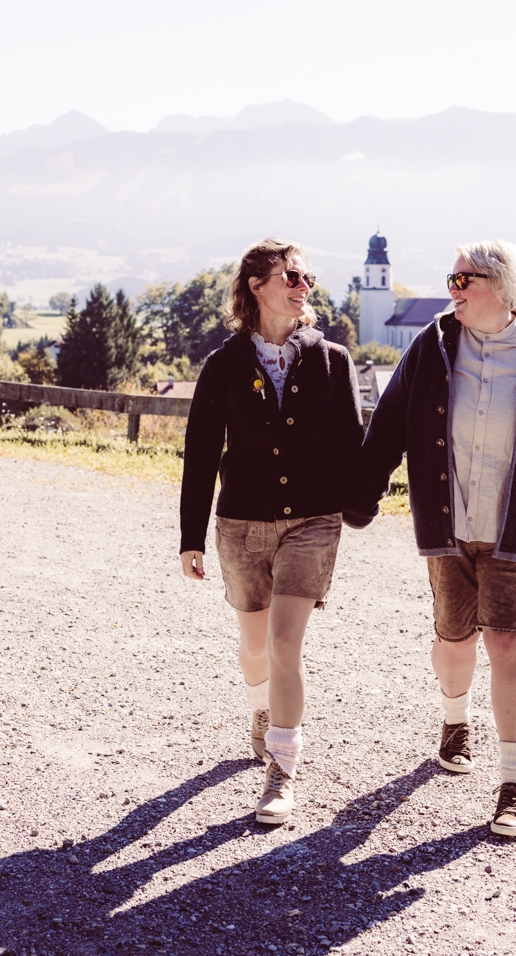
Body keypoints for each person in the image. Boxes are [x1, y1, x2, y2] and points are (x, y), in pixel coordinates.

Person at [345, 240, 516, 837]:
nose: (453, 289)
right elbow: (387, 427)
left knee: (509, 644)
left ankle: (514, 784)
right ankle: (454, 721)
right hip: (448, 523)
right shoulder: (431, 345)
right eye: (451, 278)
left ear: (502, 285)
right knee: (454, 637)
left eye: (465, 279)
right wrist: (361, 500)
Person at [180, 238, 364, 824]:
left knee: (286, 642)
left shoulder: (333, 359)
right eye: (290, 274)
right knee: (255, 644)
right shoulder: (223, 365)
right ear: (256, 284)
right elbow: (202, 452)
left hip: (313, 519)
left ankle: (281, 774)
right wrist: (190, 535)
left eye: (308, 276)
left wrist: (359, 505)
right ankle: (259, 707)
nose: (302, 284)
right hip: (240, 521)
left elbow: (352, 444)